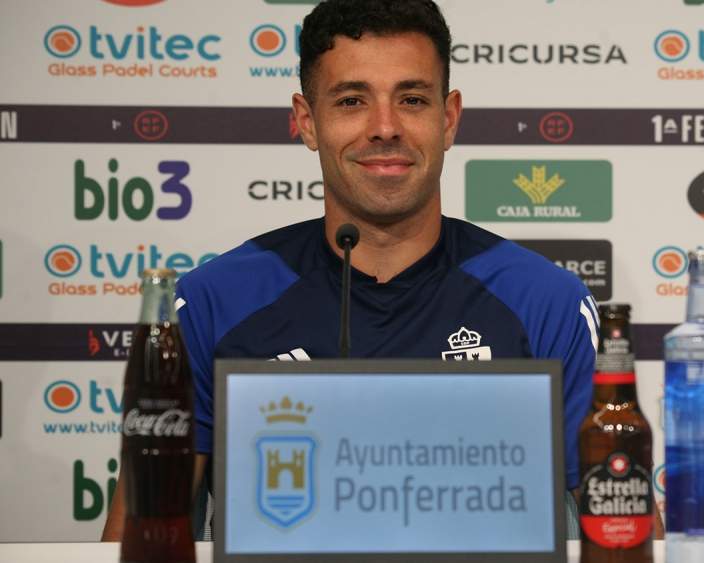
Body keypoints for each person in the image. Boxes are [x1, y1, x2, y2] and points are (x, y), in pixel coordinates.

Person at [102, 0, 598, 541]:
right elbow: (138, 536)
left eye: (412, 99)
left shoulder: (544, 302)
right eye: (352, 100)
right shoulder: (210, 304)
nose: (385, 128)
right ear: (307, 121)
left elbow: (620, 526)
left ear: (448, 118)